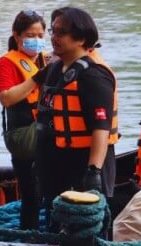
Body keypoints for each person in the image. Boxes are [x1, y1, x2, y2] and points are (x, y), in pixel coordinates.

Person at [8, 7, 119, 230]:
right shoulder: (55, 69)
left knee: (84, 229)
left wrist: (93, 172)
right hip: (56, 165)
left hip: (83, 167)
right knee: (54, 224)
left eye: (61, 33)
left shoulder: (94, 75)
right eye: (53, 31)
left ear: (81, 38)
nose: (53, 37)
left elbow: (101, 127)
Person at [0, 10, 48, 229]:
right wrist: (36, 79)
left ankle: (49, 236)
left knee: (50, 192)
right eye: (30, 35)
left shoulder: (45, 60)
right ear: (17, 36)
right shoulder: (6, 63)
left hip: (45, 131)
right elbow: (6, 98)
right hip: (23, 135)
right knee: (32, 194)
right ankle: (30, 238)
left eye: (40, 35)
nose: (36, 40)